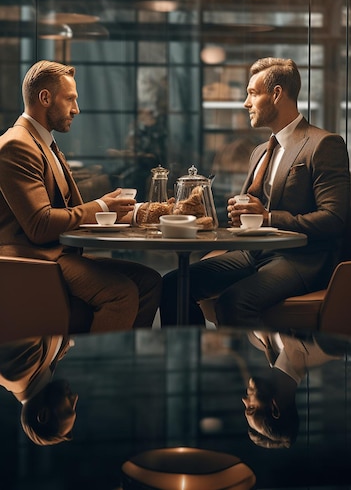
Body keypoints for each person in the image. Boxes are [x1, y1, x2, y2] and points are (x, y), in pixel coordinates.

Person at [160, 57, 350, 327]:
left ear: (276, 94)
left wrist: (269, 218)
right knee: (174, 285)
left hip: (304, 259)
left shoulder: (323, 144)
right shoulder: (259, 152)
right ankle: (188, 365)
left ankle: (254, 369)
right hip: (253, 252)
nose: (245, 103)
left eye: (252, 93)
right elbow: (251, 215)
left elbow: (334, 219)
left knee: (234, 301)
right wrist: (225, 215)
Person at [0, 60, 162, 332]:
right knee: (121, 293)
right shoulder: (17, 145)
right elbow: (40, 226)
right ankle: (95, 370)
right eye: (70, 99)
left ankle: (126, 365)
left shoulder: (43, 142)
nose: (77, 109)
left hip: (57, 253)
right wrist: (100, 206)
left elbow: (68, 207)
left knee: (149, 280)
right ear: (45, 98)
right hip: (32, 258)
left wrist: (120, 211)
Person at [243, 330, 346, 448]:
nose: (244, 400)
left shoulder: (256, 340)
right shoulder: (325, 346)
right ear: (275, 408)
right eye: (251, 408)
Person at [0, 335, 77, 446]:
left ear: (43, 415)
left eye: (68, 410)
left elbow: (36, 320)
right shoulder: (43, 371)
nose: (74, 397)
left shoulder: (17, 371)